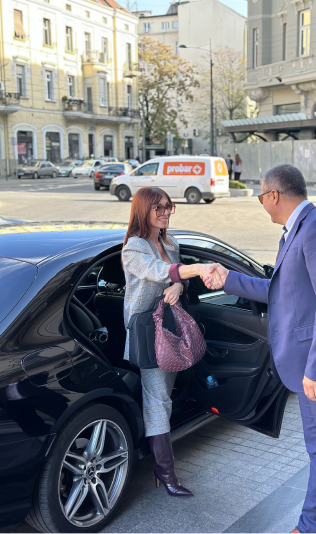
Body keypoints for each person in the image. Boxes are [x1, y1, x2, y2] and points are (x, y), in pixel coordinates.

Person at [201, 164, 316, 533]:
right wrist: (228, 279)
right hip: (310, 372)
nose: (262, 204)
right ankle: (311, 526)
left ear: (274, 195)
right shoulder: (295, 233)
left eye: (261, 197)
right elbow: (281, 292)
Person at [121, 186, 215, 497]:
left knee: (165, 396)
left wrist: (178, 286)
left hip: (171, 327)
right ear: (142, 211)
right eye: (157, 207)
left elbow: (175, 278)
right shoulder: (134, 249)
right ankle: (165, 473)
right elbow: (157, 271)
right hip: (148, 332)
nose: (164, 212)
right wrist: (195, 270)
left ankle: (162, 465)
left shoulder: (169, 242)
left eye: (168, 206)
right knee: (158, 401)